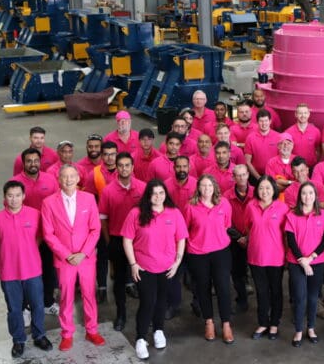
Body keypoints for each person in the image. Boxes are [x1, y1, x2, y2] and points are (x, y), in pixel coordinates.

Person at [40, 164, 105, 351]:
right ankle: (66, 334)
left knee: (89, 295)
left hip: (86, 258)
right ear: (59, 180)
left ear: (78, 179)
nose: (68, 180)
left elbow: (95, 229)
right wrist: (67, 255)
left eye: (72, 176)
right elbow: (48, 234)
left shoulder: (89, 199)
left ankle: (92, 330)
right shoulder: (48, 203)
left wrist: (83, 253)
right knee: (66, 297)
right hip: (64, 260)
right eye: (64, 177)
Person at [121, 180, 187, 360]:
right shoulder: (136, 213)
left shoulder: (174, 213)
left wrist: (177, 262)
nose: (158, 197)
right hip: (144, 267)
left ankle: (158, 330)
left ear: (166, 194)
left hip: (167, 268)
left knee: (161, 302)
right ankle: (141, 338)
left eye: (161, 193)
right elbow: (127, 240)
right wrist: (133, 264)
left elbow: (181, 238)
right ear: (148, 195)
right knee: (147, 302)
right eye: (154, 193)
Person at [0, 180, 53, 358]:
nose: (14, 199)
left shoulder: (35, 215)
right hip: (8, 274)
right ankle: (18, 340)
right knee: (14, 309)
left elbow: (39, 238)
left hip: (32, 270)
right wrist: (7, 257)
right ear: (4, 197)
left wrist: (27, 252)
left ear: (24, 196)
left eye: (18, 195)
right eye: (10, 195)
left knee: (38, 305)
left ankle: (39, 336)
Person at [8, 147, 61, 318]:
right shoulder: (15, 183)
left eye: (36, 160)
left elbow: (57, 205)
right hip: (25, 237)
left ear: (40, 161)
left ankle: (47, 302)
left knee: (48, 269)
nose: (33, 164)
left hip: (47, 233)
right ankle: (25, 307)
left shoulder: (50, 179)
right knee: (25, 272)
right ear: (23, 163)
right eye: (29, 161)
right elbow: (10, 211)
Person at [183, 175, 234, 344]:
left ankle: (226, 324)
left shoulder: (224, 203)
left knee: (223, 288)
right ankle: (209, 322)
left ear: (215, 187)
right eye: (203, 186)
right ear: (198, 188)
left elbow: (227, 224)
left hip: (221, 252)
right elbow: (186, 229)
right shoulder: (190, 206)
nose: (206, 189)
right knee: (203, 288)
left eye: (209, 186)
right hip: (198, 253)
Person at [98, 152, 145, 331]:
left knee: (142, 278)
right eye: (121, 165)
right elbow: (103, 218)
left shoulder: (142, 188)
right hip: (118, 240)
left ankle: (145, 314)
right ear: (116, 168)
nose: (124, 168)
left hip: (139, 242)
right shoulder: (108, 191)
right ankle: (121, 314)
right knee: (118, 280)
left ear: (133, 168)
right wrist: (110, 241)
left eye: (127, 165)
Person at [285, 182, 324, 347]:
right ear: (300, 197)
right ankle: (298, 330)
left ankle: (311, 328)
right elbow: (291, 241)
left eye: (311, 193)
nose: (308, 196)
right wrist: (303, 262)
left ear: (315, 196)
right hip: (296, 262)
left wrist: (310, 259)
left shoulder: (323, 214)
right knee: (299, 297)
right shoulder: (291, 215)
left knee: (313, 297)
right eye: (304, 193)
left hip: (318, 262)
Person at [245, 176, 289, 340]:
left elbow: (286, 234)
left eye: (268, 188)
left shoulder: (282, 208)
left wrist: (286, 254)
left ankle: (274, 324)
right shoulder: (251, 206)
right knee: (261, 292)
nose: (264, 191)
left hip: (276, 256)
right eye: (261, 188)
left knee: (276, 291)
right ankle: (263, 322)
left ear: (274, 190)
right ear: (257, 190)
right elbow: (248, 227)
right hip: (256, 257)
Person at [228, 164, 253, 311]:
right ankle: (242, 300)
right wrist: (239, 238)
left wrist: (248, 237)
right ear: (233, 177)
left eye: (244, 174)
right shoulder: (226, 196)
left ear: (248, 175)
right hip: (234, 239)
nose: (241, 177)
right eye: (238, 175)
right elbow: (224, 221)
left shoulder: (257, 193)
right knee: (236, 272)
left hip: (254, 239)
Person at [245, 109, 282, 180]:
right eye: (261, 121)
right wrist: (258, 178)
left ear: (270, 121)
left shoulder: (278, 137)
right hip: (255, 176)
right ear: (257, 122)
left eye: (266, 121)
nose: (264, 123)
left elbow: (280, 159)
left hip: (274, 175)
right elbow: (248, 162)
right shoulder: (250, 138)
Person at [284, 103, 322, 168]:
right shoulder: (288, 132)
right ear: (296, 114)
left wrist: (315, 161)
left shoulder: (316, 131)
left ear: (309, 114)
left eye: (305, 113)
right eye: (300, 113)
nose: (303, 115)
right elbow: (285, 151)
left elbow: (319, 149)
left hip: (311, 167)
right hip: (294, 168)